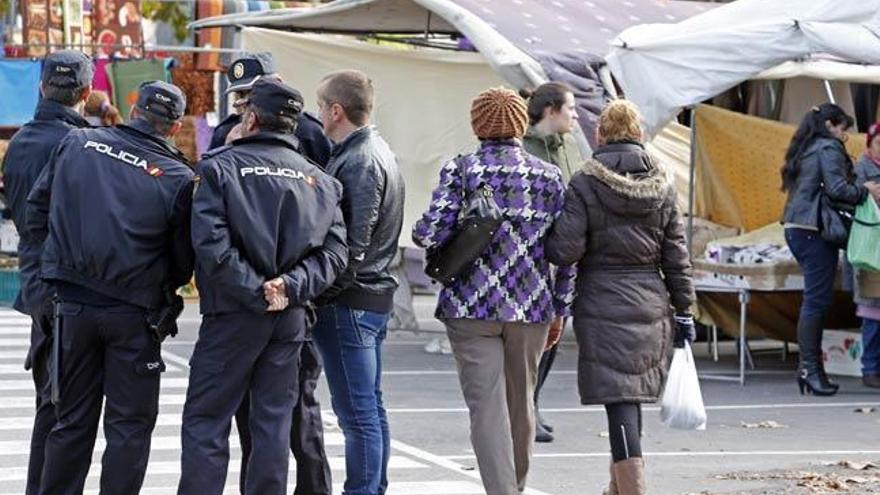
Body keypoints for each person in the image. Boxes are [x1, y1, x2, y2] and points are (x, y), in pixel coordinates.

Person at [25, 80, 195, 494]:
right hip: (134, 315)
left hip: (73, 307)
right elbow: (182, 261)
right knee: (129, 430)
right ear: (173, 128)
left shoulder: (78, 142)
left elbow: (36, 210)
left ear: (134, 107)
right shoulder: (178, 176)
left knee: (70, 422)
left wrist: (51, 269)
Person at [178, 79, 348, 495]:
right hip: (287, 316)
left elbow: (211, 245)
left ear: (251, 117)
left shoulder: (219, 168)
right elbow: (335, 255)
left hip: (234, 314)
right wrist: (288, 287)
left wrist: (259, 289)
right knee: (271, 421)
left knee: (207, 420)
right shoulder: (322, 182)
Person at [413, 87, 574, 495]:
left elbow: (428, 232)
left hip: (471, 306)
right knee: (522, 406)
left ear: (476, 125)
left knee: (486, 408)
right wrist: (561, 307)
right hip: (531, 306)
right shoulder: (549, 176)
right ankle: (513, 486)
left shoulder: (462, 170)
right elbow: (568, 251)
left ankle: (502, 491)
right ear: (521, 123)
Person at [545, 99, 695, 495]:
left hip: (600, 299)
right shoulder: (664, 182)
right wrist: (686, 309)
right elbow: (676, 254)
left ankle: (632, 490)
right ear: (639, 133)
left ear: (601, 134)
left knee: (621, 400)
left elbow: (564, 251)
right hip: (651, 299)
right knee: (629, 397)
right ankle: (618, 488)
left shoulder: (585, 181)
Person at [220, 53, 335, 495]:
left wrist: (304, 286)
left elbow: (329, 217)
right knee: (251, 416)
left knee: (298, 410)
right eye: (240, 96)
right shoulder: (227, 135)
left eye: (253, 94)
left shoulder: (307, 131)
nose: (246, 105)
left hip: (297, 294)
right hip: (243, 297)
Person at [0, 49, 92, 495]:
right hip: (74, 289)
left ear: (40, 88)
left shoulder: (19, 142)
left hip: (37, 284)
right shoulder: (87, 145)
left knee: (50, 406)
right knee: (69, 413)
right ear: (88, 93)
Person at [312, 69, 405, 495]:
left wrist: (318, 292)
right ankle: (371, 487)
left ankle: (363, 490)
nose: (318, 116)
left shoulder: (361, 158)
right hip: (368, 296)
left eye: (320, 107)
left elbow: (354, 245)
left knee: (357, 413)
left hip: (352, 299)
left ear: (336, 110)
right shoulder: (374, 149)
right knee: (369, 407)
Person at [780, 103, 880, 396]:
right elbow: (838, 189)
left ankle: (812, 371)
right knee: (816, 302)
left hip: (799, 228)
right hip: (813, 231)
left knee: (815, 300)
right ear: (831, 125)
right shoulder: (828, 148)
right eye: (843, 128)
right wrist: (867, 191)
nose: (843, 134)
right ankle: (810, 370)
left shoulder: (808, 147)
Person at [520, 81, 579, 443]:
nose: (575, 115)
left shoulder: (568, 147)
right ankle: (526, 410)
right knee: (532, 341)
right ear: (550, 110)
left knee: (554, 336)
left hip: (563, 259)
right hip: (533, 260)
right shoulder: (525, 148)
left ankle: (535, 404)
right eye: (570, 108)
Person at [210, 52, 332, 167]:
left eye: (252, 91)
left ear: (278, 83)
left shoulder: (308, 131)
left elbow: (328, 181)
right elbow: (208, 177)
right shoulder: (226, 131)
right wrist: (228, 149)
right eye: (240, 93)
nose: (245, 100)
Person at [852, 122, 880, 389]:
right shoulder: (861, 170)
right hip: (871, 247)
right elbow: (851, 200)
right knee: (873, 313)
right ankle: (869, 369)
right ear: (869, 144)